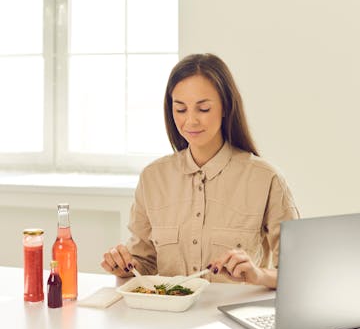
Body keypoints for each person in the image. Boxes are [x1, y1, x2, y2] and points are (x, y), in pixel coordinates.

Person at [101, 53, 299, 289]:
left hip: (232, 320)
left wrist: (257, 275)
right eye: (181, 110)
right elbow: (142, 265)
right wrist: (123, 265)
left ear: (225, 107)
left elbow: (299, 274)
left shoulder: (265, 179)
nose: (191, 121)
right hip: (164, 321)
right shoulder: (152, 178)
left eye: (203, 109)